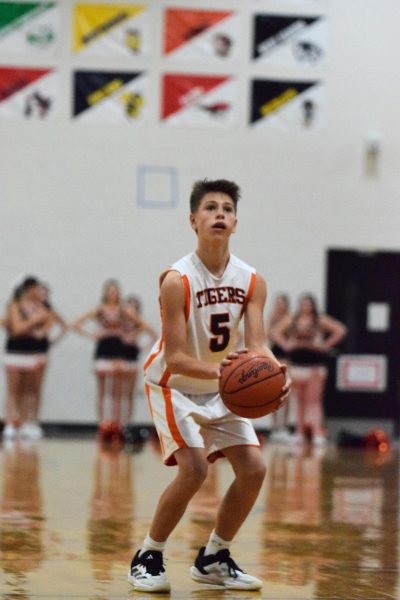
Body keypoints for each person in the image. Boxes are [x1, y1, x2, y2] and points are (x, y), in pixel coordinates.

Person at [128, 178, 291, 593]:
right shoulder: (176, 280)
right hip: (173, 383)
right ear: (193, 220)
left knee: (254, 469)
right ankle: (149, 554)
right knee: (195, 468)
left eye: (227, 209)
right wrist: (226, 375)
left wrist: (274, 374)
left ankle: (215, 557)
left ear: (235, 223)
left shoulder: (252, 280)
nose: (219, 213)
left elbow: (255, 346)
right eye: (210, 208)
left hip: (220, 384)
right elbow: (178, 357)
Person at [72, 280, 143, 443]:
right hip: (103, 350)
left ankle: (117, 424)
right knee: (103, 390)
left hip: (118, 351)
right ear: (105, 293)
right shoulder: (99, 309)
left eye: (116, 290)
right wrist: (92, 335)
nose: (113, 293)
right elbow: (76, 324)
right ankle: (103, 423)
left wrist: (130, 336)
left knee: (117, 392)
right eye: (110, 291)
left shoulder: (123, 310)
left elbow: (141, 324)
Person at [273, 293, 347, 446]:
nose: (306, 306)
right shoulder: (293, 319)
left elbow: (340, 329)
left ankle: (317, 433)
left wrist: (325, 345)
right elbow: (274, 331)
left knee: (314, 402)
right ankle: (299, 432)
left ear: (313, 305)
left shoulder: (319, 320)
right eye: (303, 303)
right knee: (298, 402)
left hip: (315, 365)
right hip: (296, 364)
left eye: (309, 304)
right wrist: (287, 345)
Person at [2, 277, 54, 439]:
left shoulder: (44, 308)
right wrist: (35, 321)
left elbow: (44, 331)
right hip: (16, 352)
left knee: (29, 390)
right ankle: (11, 422)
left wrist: (35, 327)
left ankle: (26, 422)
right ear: (28, 290)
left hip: (33, 353)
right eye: (35, 289)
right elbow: (16, 329)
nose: (38, 292)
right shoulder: (15, 306)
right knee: (13, 390)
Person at [121, 295, 157, 426]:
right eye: (128, 307)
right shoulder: (119, 323)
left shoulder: (139, 324)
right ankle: (116, 422)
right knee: (118, 393)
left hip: (132, 359)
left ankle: (127, 422)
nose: (130, 311)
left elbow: (153, 334)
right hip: (119, 359)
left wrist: (143, 347)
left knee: (129, 394)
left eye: (133, 308)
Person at [266, 294, 291, 442]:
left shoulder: (290, 318)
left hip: (286, 357)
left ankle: (285, 426)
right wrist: (273, 322)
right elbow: (269, 335)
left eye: (282, 303)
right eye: (277, 303)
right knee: (274, 392)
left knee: (286, 392)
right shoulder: (273, 317)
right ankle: (275, 427)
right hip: (274, 355)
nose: (279, 306)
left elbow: (287, 336)